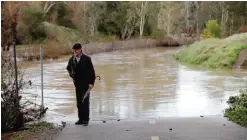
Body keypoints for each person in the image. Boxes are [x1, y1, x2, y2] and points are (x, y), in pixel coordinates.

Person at [66, 43, 96, 125]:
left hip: (86, 83)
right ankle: (80, 119)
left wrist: (91, 82)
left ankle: (86, 119)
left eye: (77, 50)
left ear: (80, 49)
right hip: (77, 84)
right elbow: (68, 68)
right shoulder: (72, 59)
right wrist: (71, 74)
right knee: (79, 102)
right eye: (74, 50)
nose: (76, 51)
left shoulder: (87, 59)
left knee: (85, 102)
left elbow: (92, 72)